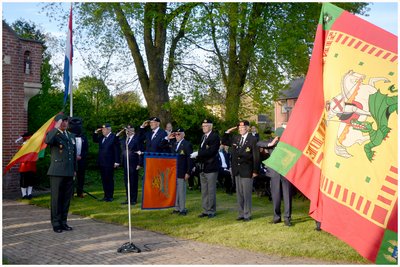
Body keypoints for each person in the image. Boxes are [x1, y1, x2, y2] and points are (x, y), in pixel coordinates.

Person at [44, 113, 77, 233]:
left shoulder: (70, 135)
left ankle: (63, 222)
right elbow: (47, 140)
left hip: (68, 170)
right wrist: (55, 128)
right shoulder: (53, 134)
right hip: (57, 171)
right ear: (58, 123)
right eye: (62, 121)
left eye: (66, 121)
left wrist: (74, 169)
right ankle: (56, 223)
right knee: (56, 199)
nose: (65, 123)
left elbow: (73, 153)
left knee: (66, 199)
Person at [222, 120, 260, 222]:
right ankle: (241, 213)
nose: (241, 130)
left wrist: (255, 171)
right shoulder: (236, 138)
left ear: (247, 128)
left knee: (247, 193)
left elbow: (256, 156)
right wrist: (228, 131)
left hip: (248, 170)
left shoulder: (253, 139)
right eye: (239, 128)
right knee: (239, 193)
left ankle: (247, 214)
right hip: (237, 170)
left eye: (243, 128)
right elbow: (224, 141)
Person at [257, 127, 294, 226]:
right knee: (275, 195)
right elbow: (258, 144)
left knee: (287, 196)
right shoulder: (272, 142)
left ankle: (287, 218)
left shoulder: (290, 142)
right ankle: (276, 217)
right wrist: (270, 144)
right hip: (274, 173)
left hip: (286, 172)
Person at [159, 128, 194, 216]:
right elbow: (160, 145)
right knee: (175, 191)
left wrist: (188, 172)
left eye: (179, 134)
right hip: (173, 171)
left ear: (183, 135)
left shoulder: (187, 144)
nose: (177, 136)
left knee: (181, 191)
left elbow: (190, 159)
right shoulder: (172, 143)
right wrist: (167, 137)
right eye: (176, 134)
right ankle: (177, 207)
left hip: (182, 171)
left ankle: (182, 209)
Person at [190, 119, 220, 219]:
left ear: (211, 126)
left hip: (211, 166)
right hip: (203, 167)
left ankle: (211, 210)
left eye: (206, 126)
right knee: (204, 190)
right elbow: (203, 150)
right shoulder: (203, 136)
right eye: (203, 126)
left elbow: (211, 151)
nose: (204, 127)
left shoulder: (214, 136)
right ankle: (205, 210)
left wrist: (198, 153)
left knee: (211, 190)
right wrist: (197, 157)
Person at [115, 125, 143, 205]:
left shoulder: (137, 139)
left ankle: (133, 199)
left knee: (133, 182)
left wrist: (139, 163)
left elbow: (140, 151)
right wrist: (118, 134)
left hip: (134, 163)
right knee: (127, 182)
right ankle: (128, 199)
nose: (127, 131)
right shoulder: (124, 138)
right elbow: (115, 141)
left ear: (133, 130)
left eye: (129, 130)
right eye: (126, 130)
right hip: (125, 163)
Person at [93, 123, 121, 203]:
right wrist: (96, 132)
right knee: (104, 180)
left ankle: (110, 196)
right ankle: (106, 195)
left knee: (109, 179)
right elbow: (95, 140)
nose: (103, 131)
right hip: (102, 161)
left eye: (104, 129)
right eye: (102, 129)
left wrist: (117, 161)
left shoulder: (114, 137)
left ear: (109, 130)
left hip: (109, 161)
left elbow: (117, 150)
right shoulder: (102, 137)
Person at [68, 118, 89, 199]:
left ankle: (80, 192)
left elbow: (86, 149)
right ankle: (71, 193)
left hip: (81, 160)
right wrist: (74, 156)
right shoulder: (70, 137)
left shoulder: (84, 137)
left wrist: (81, 156)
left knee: (81, 176)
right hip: (73, 160)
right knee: (72, 176)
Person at [16, 133, 36, 199]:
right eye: (28, 139)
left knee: (31, 180)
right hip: (24, 165)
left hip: (32, 165)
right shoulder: (21, 146)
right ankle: (24, 195)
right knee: (24, 180)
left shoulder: (34, 146)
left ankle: (29, 194)